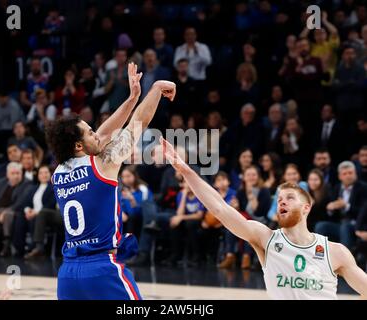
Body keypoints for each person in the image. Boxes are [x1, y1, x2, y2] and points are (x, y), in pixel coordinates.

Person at [160, 137, 367, 299]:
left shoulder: (335, 252)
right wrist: (186, 170)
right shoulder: (266, 239)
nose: (282, 202)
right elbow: (220, 209)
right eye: (279, 199)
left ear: (306, 207)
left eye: (289, 198)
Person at [46, 62, 176, 300]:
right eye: (89, 131)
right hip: (102, 269)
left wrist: (131, 98)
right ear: (78, 145)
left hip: (68, 275)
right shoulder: (104, 163)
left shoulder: (57, 175)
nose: (96, 132)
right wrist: (155, 89)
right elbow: (138, 125)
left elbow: (103, 134)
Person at [315, 161, 367, 250]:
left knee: (345, 226)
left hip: (356, 226)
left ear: (356, 174)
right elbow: (331, 210)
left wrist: (346, 206)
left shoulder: (363, 188)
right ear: (340, 176)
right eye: (345, 174)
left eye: (350, 173)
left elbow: (363, 211)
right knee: (321, 226)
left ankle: (345, 259)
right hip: (339, 224)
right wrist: (331, 208)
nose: (348, 176)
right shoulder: (337, 188)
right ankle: (322, 256)